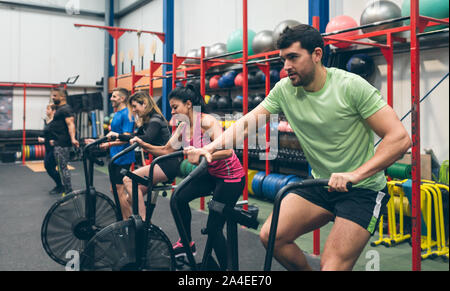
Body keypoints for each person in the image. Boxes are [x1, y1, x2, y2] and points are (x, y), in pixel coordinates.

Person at [184, 24, 412, 271]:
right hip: (321, 184)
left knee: (332, 266)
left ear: (317, 54)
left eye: (293, 57)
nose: (286, 67)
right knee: (271, 236)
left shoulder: (350, 86)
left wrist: (354, 175)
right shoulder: (284, 90)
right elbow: (247, 124)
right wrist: (210, 148)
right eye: (283, 60)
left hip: (362, 189)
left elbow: (399, 138)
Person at [129, 85, 245, 269]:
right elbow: (166, 150)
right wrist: (143, 144)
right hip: (211, 173)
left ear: (189, 104)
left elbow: (228, 151)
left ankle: (228, 271)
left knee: (213, 230)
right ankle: (187, 244)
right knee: (178, 199)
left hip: (230, 177)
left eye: (175, 107)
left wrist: (201, 153)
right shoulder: (184, 126)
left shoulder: (207, 121)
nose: (172, 111)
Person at [107, 91, 181, 222]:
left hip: (168, 163)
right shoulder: (146, 122)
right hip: (160, 162)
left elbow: (146, 139)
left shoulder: (156, 119)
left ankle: (142, 223)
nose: (134, 110)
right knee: (131, 197)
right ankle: (133, 223)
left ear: (144, 104)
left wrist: (117, 135)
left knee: (128, 180)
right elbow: (132, 137)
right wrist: (109, 143)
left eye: (135, 106)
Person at [86, 88, 135, 218]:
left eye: (114, 96)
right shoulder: (117, 114)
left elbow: (126, 137)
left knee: (118, 190)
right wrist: (97, 141)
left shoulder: (127, 114)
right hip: (115, 156)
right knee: (115, 190)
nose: (111, 98)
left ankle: (128, 221)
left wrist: (108, 144)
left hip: (123, 156)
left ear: (122, 98)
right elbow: (112, 136)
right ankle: (127, 215)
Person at [51, 87, 79, 195]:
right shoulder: (60, 108)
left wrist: (73, 138)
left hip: (62, 144)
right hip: (58, 143)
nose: (52, 98)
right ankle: (65, 190)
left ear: (62, 97)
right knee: (60, 168)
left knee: (63, 168)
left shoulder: (66, 109)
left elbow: (70, 124)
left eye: (55, 96)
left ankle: (68, 192)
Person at [38, 103, 63, 194]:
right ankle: (60, 185)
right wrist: (42, 138)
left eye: (48, 109)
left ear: (54, 111)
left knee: (49, 166)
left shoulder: (56, 123)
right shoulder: (48, 121)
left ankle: (60, 186)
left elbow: (56, 136)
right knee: (49, 167)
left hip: (54, 148)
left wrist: (44, 139)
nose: (46, 111)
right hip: (47, 148)